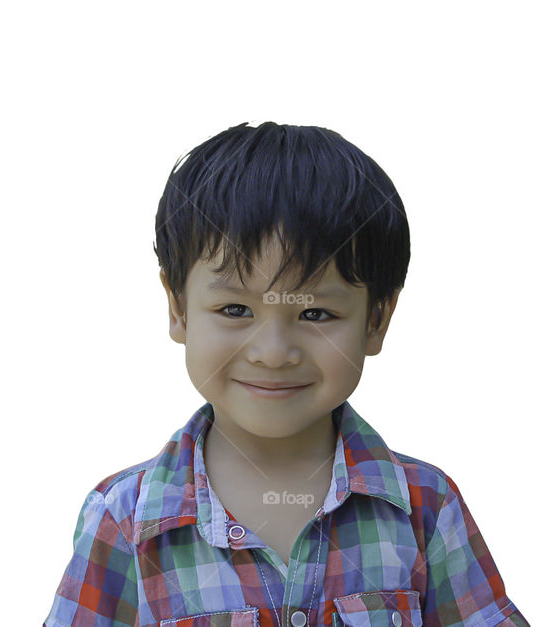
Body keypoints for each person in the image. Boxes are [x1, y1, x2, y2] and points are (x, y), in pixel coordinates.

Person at [43, 122, 528, 627]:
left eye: (315, 314)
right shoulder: (124, 520)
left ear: (377, 320)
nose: (273, 353)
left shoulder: (426, 509)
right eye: (235, 309)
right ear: (179, 308)